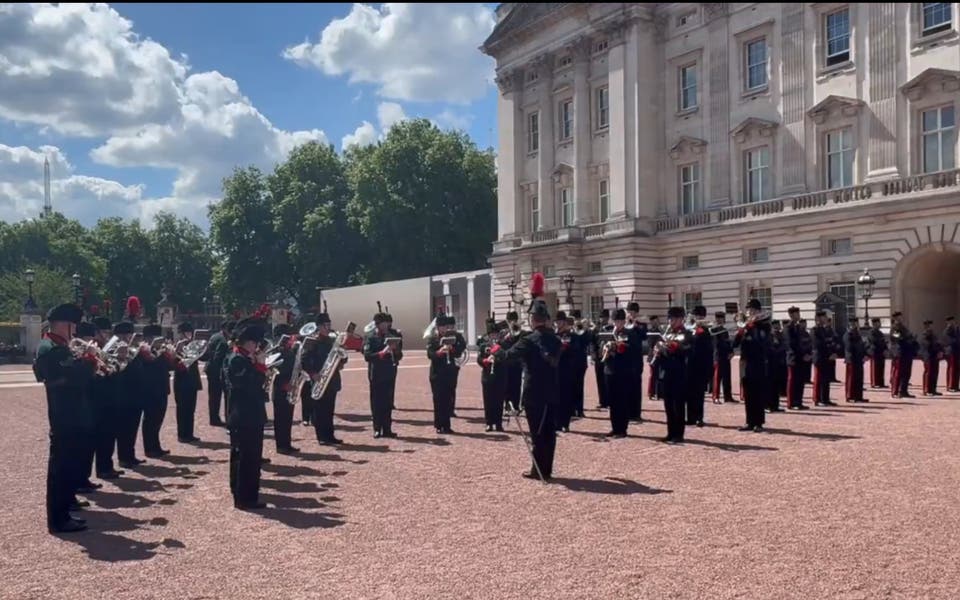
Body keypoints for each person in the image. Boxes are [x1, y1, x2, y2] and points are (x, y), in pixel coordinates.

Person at [34, 303, 96, 533]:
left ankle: (67, 503)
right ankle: (58, 519)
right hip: (64, 415)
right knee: (60, 468)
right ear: (64, 325)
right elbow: (72, 379)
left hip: (73, 413)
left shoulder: (61, 346)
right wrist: (88, 362)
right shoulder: (50, 349)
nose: (76, 331)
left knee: (69, 464)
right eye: (73, 326)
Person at [495, 296, 562, 480]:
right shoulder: (555, 340)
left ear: (533, 320)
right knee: (549, 432)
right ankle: (546, 468)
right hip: (552, 391)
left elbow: (508, 356)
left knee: (537, 433)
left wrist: (496, 349)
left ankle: (538, 470)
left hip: (534, 392)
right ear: (546, 319)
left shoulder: (529, 340)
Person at [225, 318, 269, 510]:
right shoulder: (238, 359)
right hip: (245, 415)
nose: (256, 346)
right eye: (254, 342)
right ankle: (245, 497)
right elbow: (247, 385)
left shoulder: (239, 357)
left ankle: (240, 492)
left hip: (244, 414)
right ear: (247, 342)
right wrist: (260, 367)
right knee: (248, 458)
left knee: (242, 456)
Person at [89, 316, 123, 480]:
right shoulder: (93, 348)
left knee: (110, 434)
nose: (107, 335)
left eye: (108, 331)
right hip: (98, 397)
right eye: (104, 331)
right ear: (96, 333)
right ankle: (102, 468)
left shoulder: (110, 347)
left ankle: (107, 465)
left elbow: (117, 368)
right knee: (101, 435)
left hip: (111, 395)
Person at [308, 313, 347, 445]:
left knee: (329, 409)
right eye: (325, 325)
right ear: (319, 327)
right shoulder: (312, 341)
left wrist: (342, 358)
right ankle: (322, 437)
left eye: (329, 325)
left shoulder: (332, 341)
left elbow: (341, 357)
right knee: (320, 410)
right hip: (319, 378)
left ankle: (330, 435)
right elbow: (304, 360)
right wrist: (313, 373)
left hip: (332, 378)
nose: (328, 328)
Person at [656, 306, 693, 443]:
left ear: (681, 319)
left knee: (678, 405)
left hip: (679, 373)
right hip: (666, 373)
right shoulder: (667, 333)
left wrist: (673, 346)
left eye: (675, 318)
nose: (672, 321)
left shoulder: (687, 333)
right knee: (668, 405)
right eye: (670, 318)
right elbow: (664, 353)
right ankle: (670, 432)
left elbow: (687, 350)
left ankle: (679, 434)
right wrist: (659, 351)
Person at [733, 299, 771, 432]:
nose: (750, 312)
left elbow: (761, 342)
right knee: (748, 394)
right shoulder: (744, 326)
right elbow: (735, 344)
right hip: (745, 363)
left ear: (759, 311)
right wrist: (740, 331)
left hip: (758, 362)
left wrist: (752, 326)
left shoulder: (764, 325)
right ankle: (749, 421)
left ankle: (759, 423)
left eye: (753, 310)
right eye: (749, 310)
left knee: (758, 393)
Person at [363, 311, 401, 438]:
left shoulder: (391, 336)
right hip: (376, 373)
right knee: (377, 403)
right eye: (383, 324)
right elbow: (367, 356)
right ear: (377, 325)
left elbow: (400, 355)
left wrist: (395, 351)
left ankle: (387, 429)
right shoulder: (371, 338)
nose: (385, 326)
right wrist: (381, 353)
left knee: (387, 403)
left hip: (389, 373)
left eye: (386, 324)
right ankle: (377, 428)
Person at [426, 315, 466, 434]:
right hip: (437, 373)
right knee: (438, 400)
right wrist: (439, 352)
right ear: (437, 327)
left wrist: (452, 349)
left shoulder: (453, 337)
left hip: (449, 372)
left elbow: (460, 350)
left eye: (445, 326)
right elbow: (430, 354)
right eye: (441, 327)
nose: (444, 329)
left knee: (448, 399)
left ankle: (447, 425)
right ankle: (439, 425)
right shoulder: (433, 339)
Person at [114, 320, 145, 468]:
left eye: (129, 334)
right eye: (126, 334)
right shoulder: (116, 348)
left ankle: (130, 455)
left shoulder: (134, 348)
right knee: (124, 428)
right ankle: (124, 457)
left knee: (133, 426)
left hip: (136, 392)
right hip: (123, 393)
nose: (128, 337)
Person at [139, 324, 174, 458]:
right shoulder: (143, 350)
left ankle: (156, 445)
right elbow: (147, 364)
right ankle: (149, 447)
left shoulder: (162, 350)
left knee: (158, 419)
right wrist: (154, 349)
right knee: (150, 420)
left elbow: (169, 366)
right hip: (149, 389)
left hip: (162, 387)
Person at [554, 311, 585, 432]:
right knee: (556, 396)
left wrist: (565, 348)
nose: (557, 324)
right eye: (556, 321)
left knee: (565, 397)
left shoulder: (571, 335)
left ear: (564, 322)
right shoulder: (553, 334)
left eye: (560, 321)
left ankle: (565, 423)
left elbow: (576, 350)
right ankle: (556, 422)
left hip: (566, 369)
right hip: (555, 369)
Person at [270, 324, 299, 452]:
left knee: (288, 418)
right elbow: (274, 371)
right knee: (281, 418)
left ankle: (286, 443)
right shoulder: (276, 351)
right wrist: (284, 384)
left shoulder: (289, 350)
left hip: (290, 386)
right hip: (280, 388)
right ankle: (281, 445)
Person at [172, 322, 202, 443]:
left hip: (192, 380)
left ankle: (189, 433)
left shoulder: (193, 344)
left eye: (190, 333)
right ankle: (182, 434)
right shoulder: (176, 345)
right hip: (181, 381)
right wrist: (178, 350)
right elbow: (174, 363)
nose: (189, 335)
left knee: (191, 409)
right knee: (182, 409)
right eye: (186, 333)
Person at [198, 320, 231, 427]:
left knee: (214, 396)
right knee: (225, 395)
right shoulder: (223, 341)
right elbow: (218, 358)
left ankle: (214, 418)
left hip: (210, 369)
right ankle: (227, 417)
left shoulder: (214, 336)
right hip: (217, 371)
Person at [477, 316, 506, 432]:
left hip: (500, 376)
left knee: (499, 401)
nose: (494, 337)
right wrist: (485, 361)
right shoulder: (484, 346)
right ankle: (489, 423)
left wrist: (497, 359)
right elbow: (479, 359)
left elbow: (505, 357)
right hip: (487, 376)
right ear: (489, 336)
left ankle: (498, 423)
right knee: (488, 400)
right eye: (492, 335)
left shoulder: (503, 345)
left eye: (496, 334)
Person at [686, 306, 712, 427]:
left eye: (699, 316)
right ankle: (690, 417)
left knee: (699, 393)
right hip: (689, 364)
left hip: (700, 365)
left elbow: (708, 349)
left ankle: (698, 417)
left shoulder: (705, 330)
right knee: (689, 392)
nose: (697, 318)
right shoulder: (689, 328)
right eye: (696, 316)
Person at [811, 311, 838, 407]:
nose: (826, 319)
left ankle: (825, 398)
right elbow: (819, 345)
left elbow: (829, 342)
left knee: (826, 379)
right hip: (819, 357)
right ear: (818, 319)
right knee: (819, 379)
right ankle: (817, 399)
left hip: (826, 357)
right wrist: (828, 354)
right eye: (824, 317)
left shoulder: (824, 329)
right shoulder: (814, 330)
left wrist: (833, 353)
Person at [889, 312, 916, 399]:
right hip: (899, 352)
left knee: (906, 372)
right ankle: (895, 391)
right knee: (898, 373)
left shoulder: (903, 327)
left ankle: (903, 391)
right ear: (895, 318)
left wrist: (911, 339)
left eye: (900, 317)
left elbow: (907, 336)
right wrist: (907, 338)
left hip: (906, 352)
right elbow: (896, 338)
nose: (900, 319)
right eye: (898, 317)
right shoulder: (894, 328)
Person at [503, 309, 525, 411]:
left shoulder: (521, 332)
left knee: (517, 385)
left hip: (517, 362)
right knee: (506, 385)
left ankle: (516, 406)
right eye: (510, 320)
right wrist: (506, 337)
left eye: (514, 320)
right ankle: (507, 405)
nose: (512, 322)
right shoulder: (504, 333)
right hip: (507, 363)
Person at [591, 309, 613, 409]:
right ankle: (602, 401)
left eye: (604, 317)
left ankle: (609, 400)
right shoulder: (596, 329)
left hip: (607, 356)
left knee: (607, 379)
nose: (603, 319)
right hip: (598, 356)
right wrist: (593, 355)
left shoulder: (611, 328)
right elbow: (592, 342)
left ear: (608, 318)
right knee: (599, 379)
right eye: (601, 317)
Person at [569, 310, 589, 418]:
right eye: (574, 319)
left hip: (581, 362)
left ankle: (579, 409)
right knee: (571, 386)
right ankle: (571, 409)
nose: (576, 321)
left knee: (579, 386)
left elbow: (587, 342)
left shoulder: (583, 330)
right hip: (571, 362)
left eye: (577, 319)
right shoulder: (569, 331)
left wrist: (584, 330)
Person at [711, 312, 735, 404]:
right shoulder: (714, 330)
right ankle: (715, 397)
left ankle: (727, 396)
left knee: (727, 377)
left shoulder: (724, 330)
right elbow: (716, 344)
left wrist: (731, 351)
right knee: (717, 378)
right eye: (718, 318)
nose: (720, 320)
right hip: (718, 356)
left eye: (721, 318)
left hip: (725, 356)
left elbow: (727, 342)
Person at [843, 318, 867, 403]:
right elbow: (849, 347)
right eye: (852, 324)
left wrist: (864, 355)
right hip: (852, 359)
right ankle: (850, 396)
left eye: (855, 323)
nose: (854, 325)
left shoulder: (858, 334)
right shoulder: (848, 334)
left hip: (859, 359)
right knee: (851, 378)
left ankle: (858, 396)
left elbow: (862, 345)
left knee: (859, 378)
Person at [919, 320, 944, 397]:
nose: (930, 327)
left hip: (934, 356)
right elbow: (928, 346)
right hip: (928, 356)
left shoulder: (934, 335)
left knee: (934, 373)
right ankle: (926, 390)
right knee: (928, 373)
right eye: (928, 326)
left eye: (931, 325)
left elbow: (938, 344)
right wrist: (937, 349)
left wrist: (940, 351)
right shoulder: (924, 335)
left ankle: (933, 389)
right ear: (925, 327)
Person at [768, 320, 787, 411]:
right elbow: (770, 348)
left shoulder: (780, 335)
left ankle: (775, 405)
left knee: (777, 385)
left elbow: (784, 344)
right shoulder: (769, 336)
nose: (777, 327)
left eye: (778, 325)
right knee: (770, 385)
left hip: (779, 362)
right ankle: (769, 405)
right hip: (771, 363)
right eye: (775, 326)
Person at [866, 318, 888, 389]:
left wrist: (886, 349)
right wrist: (881, 342)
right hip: (875, 352)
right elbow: (873, 341)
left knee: (881, 367)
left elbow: (884, 342)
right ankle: (874, 382)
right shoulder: (871, 332)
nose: (879, 324)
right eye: (878, 323)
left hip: (881, 352)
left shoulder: (880, 333)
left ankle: (881, 382)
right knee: (875, 368)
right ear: (874, 324)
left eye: (879, 323)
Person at [945, 316, 960, 392]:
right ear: (947, 322)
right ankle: (950, 386)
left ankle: (955, 385)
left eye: (953, 321)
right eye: (950, 321)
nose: (952, 323)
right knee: (951, 368)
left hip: (957, 351)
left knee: (956, 369)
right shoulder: (947, 330)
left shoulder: (957, 329)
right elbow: (948, 340)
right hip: (951, 351)